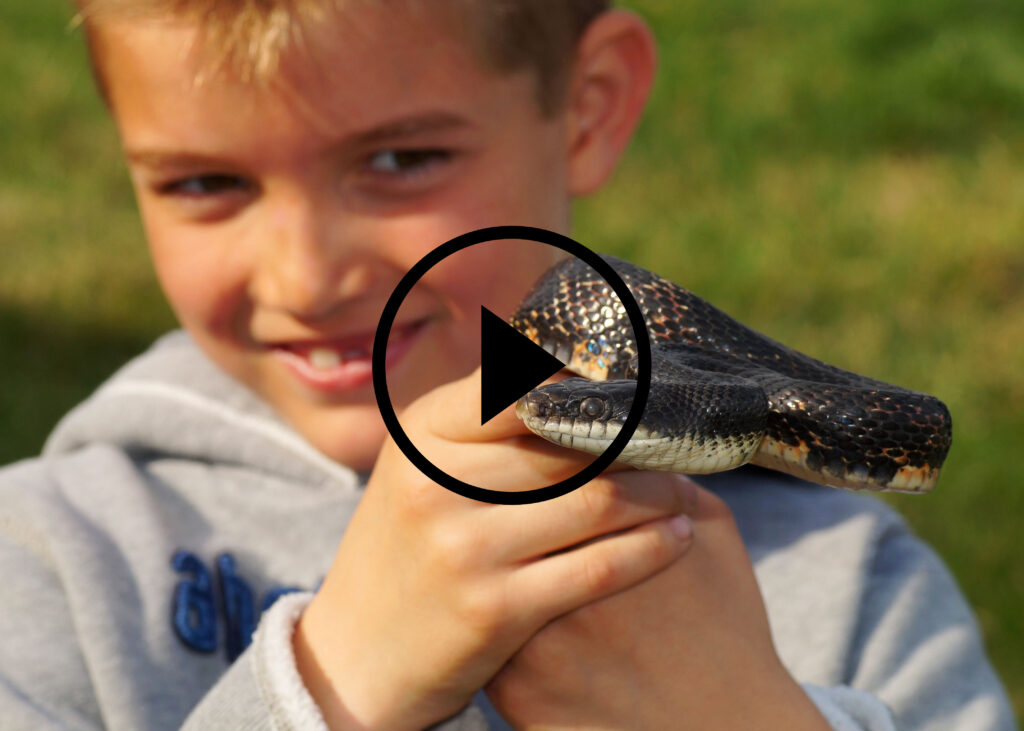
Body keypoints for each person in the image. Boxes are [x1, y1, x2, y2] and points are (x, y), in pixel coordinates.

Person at [0, 1, 1014, 728]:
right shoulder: (48, 555)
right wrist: (327, 688)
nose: (306, 277)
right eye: (206, 180)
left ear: (586, 107)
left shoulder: (846, 583)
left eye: (400, 160)